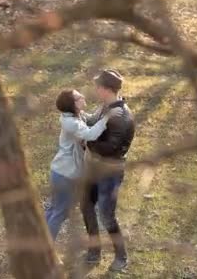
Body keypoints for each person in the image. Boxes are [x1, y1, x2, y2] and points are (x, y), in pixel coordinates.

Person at [81, 69, 135, 272]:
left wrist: (87, 141)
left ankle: (121, 256)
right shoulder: (105, 107)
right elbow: (93, 122)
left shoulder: (121, 116)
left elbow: (111, 148)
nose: (95, 90)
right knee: (86, 206)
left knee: (106, 215)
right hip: (93, 168)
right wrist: (77, 115)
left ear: (105, 89)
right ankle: (94, 251)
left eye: (98, 87)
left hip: (109, 172)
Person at [45, 89, 111, 241]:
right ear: (72, 104)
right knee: (59, 212)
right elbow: (91, 134)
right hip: (64, 174)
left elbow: (92, 119)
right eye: (78, 96)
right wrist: (108, 117)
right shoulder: (71, 122)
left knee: (55, 208)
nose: (82, 96)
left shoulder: (76, 116)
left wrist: (105, 106)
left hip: (62, 172)